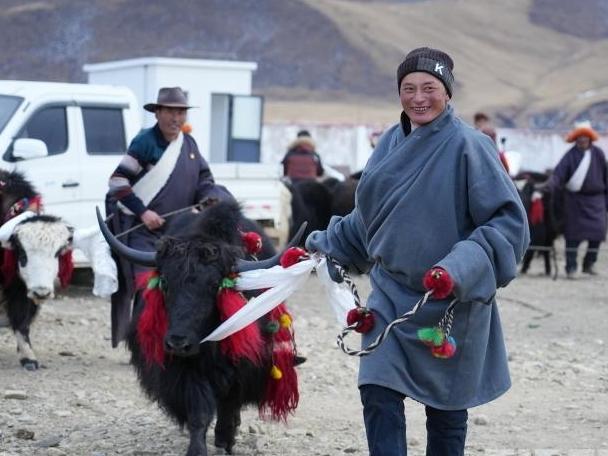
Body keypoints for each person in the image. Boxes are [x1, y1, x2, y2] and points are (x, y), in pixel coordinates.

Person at [306, 47, 529, 455]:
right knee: (376, 392)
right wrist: (323, 247)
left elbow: (507, 225)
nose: (418, 97)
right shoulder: (389, 143)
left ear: (447, 93)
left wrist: (458, 268)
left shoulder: (470, 146)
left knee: (445, 413)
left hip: (451, 304)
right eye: (409, 88)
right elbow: (369, 218)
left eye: (430, 87)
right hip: (391, 297)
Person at [105, 86, 233, 346]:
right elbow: (118, 181)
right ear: (158, 113)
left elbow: (204, 179)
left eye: (181, 112)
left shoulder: (189, 143)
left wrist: (208, 196)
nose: (176, 118)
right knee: (146, 285)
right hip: (141, 230)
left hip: (177, 234)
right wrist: (143, 212)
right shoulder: (144, 143)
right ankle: (141, 343)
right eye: (170, 112)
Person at [547, 121, 607, 278]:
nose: (582, 139)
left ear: (589, 138)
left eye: (585, 136)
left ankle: (589, 264)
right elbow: (558, 175)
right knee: (573, 236)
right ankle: (571, 267)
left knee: (598, 234)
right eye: (579, 136)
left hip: (596, 201)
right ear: (575, 138)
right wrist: (548, 187)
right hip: (575, 202)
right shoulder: (570, 156)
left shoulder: (599, 154)